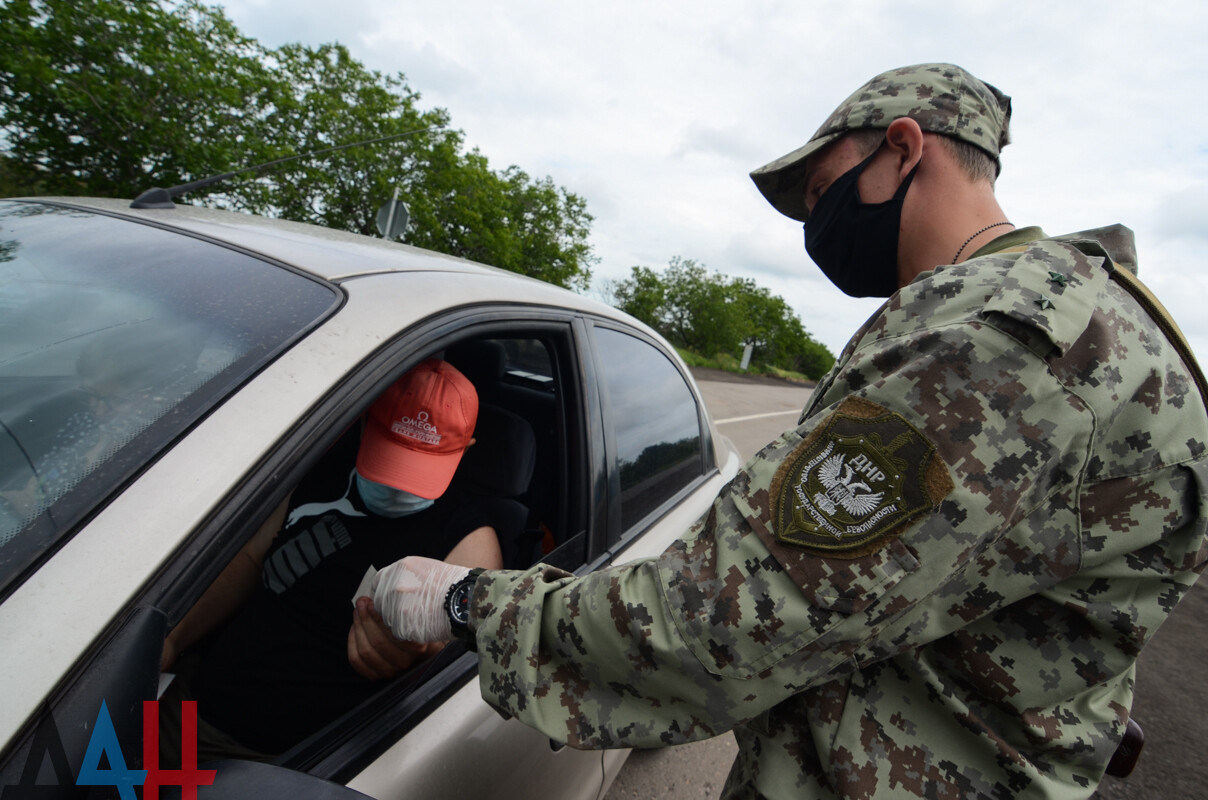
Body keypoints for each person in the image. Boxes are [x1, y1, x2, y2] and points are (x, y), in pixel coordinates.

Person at [369, 64, 1208, 799]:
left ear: (906, 147)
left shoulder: (997, 343)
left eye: (820, 192)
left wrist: (463, 602)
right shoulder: (1096, 318)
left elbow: (724, 618)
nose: (816, 223)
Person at [158, 358, 501, 760]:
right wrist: (172, 638)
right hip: (184, 711)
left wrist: (413, 656)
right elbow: (250, 560)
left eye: (419, 465)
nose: (396, 486)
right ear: (363, 424)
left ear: (466, 449)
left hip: (282, 767)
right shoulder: (316, 472)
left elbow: (448, 669)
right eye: (389, 456)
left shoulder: (468, 541)